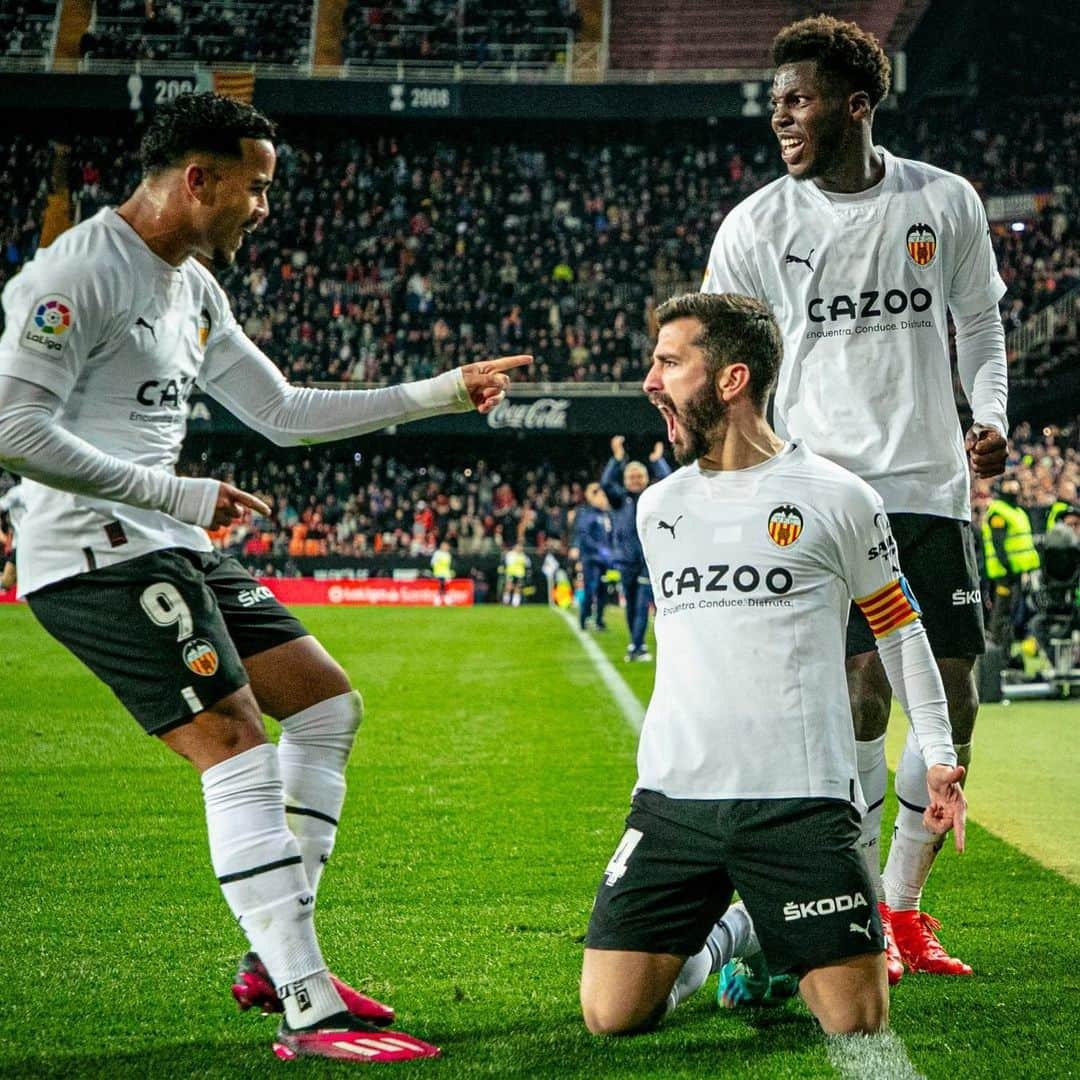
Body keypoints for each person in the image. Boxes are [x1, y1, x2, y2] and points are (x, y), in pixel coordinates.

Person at [0, 92, 529, 1064]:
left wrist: (443, 393)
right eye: (258, 188)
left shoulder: (193, 287)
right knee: (236, 739)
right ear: (199, 180)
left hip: (169, 538)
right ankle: (307, 1005)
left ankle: (270, 954)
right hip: (91, 550)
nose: (264, 209)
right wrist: (176, 490)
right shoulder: (76, 273)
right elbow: (13, 430)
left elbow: (281, 411)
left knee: (326, 705)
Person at [580, 292, 965, 1062]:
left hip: (800, 803)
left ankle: (764, 914)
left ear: (730, 379)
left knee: (854, 1018)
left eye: (669, 362)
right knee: (612, 1014)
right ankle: (736, 931)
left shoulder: (838, 496)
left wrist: (941, 751)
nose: (651, 382)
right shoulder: (659, 507)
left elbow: (899, 628)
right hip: (676, 803)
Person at [701, 14, 1007, 980]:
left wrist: (990, 413)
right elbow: (721, 363)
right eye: (777, 100)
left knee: (952, 699)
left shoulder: (943, 201)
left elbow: (981, 327)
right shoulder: (757, 225)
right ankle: (864, 910)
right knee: (860, 698)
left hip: (928, 483)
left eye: (798, 100)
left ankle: (906, 909)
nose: (780, 116)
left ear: (858, 104)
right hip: (820, 495)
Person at [601, 436, 670, 661]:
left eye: (639, 476)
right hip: (625, 560)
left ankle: (638, 645)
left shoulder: (653, 496)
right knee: (631, 605)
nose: (635, 479)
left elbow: (670, 484)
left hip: (646, 561)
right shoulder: (620, 499)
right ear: (625, 479)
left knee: (642, 604)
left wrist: (658, 461)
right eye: (631, 476)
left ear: (646, 478)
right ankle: (635, 644)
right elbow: (605, 484)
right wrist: (617, 459)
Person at [981, 478, 1039, 652]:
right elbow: (998, 543)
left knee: (1013, 613)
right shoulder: (999, 512)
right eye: (1010, 487)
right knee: (1000, 612)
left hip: (1017, 573)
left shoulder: (1017, 511)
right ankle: (994, 653)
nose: (1014, 490)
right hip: (1003, 574)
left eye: (1016, 486)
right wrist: (1007, 567)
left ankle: (1007, 651)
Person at [570, 482, 613, 631]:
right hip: (591, 559)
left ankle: (599, 620)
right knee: (591, 589)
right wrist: (600, 550)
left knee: (602, 591)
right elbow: (584, 536)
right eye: (601, 496)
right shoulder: (587, 514)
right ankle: (584, 617)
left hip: (604, 561)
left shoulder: (607, 515)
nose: (604, 499)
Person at [0, 480, 24, 592]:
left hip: (21, 542)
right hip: (33, 540)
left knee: (7, 580)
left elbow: (1, 506)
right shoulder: (44, 491)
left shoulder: (17, 492)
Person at [501, 541, 530, 606]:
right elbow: (510, 562)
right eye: (518, 546)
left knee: (518, 588)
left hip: (520, 574)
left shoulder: (523, 555)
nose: (520, 548)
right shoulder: (510, 554)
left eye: (521, 547)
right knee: (508, 587)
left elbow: (528, 563)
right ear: (514, 547)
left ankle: (515, 603)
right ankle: (505, 602)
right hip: (511, 573)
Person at [430, 539, 454, 605]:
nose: (445, 547)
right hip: (439, 574)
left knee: (446, 589)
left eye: (446, 546)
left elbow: (448, 565)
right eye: (444, 545)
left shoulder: (448, 555)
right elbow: (432, 563)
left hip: (446, 575)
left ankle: (447, 601)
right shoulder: (437, 553)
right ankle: (437, 601)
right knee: (440, 588)